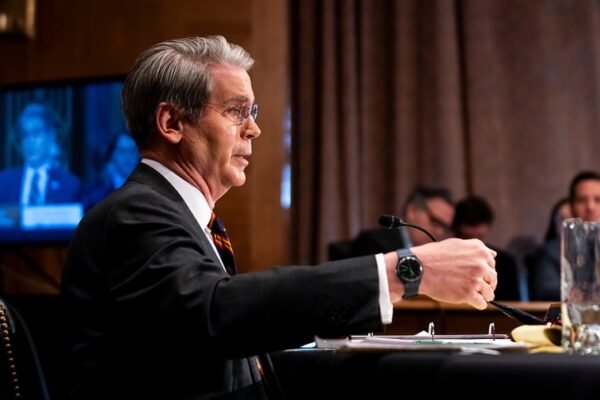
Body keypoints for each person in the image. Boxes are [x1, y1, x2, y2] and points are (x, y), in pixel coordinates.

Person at [60, 36, 498, 400]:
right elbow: (215, 313)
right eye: (237, 111)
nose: (254, 129)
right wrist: (403, 271)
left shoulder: (182, 215)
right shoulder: (135, 213)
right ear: (172, 122)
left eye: (253, 113)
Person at [530, 171, 600, 300]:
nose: (590, 207)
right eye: (582, 200)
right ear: (571, 206)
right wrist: (588, 295)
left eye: (598, 200)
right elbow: (545, 292)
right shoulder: (552, 252)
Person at [0, 102, 82, 206]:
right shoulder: (3, 183)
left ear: (51, 136)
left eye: (36, 133)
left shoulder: (69, 185)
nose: (30, 141)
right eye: (25, 135)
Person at [343, 186, 455, 259]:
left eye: (445, 228)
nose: (440, 232)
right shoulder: (373, 244)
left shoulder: (437, 257)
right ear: (412, 210)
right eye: (435, 221)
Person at [452, 195, 521, 300]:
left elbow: (512, 304)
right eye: (467, 237)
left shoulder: (505, 263)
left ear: (488, 228)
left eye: (479, 237)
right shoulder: (443, 260)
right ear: (456, 231)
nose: (473, 244)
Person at [82, 130, 139, 210]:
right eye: (122, 151)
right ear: (113, 155)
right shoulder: (96, 195)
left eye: (132, 151)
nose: (128, 157)